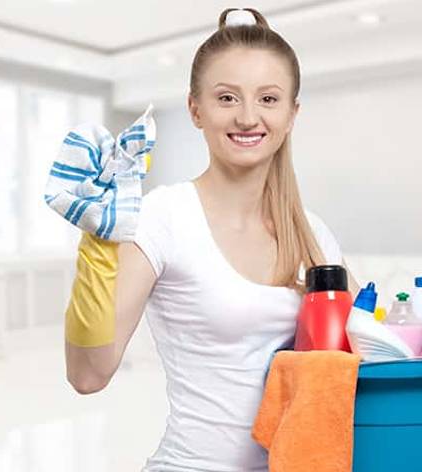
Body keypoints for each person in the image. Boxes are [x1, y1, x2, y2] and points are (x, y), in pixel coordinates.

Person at [64, 8, 360, 470]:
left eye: (268, 98)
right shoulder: (163, 217)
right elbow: (88, 374)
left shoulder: (313, 235)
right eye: (226, 98)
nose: (247, 117)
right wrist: (97, 248)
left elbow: (369, 351)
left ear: (292, 113)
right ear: (195, 109)